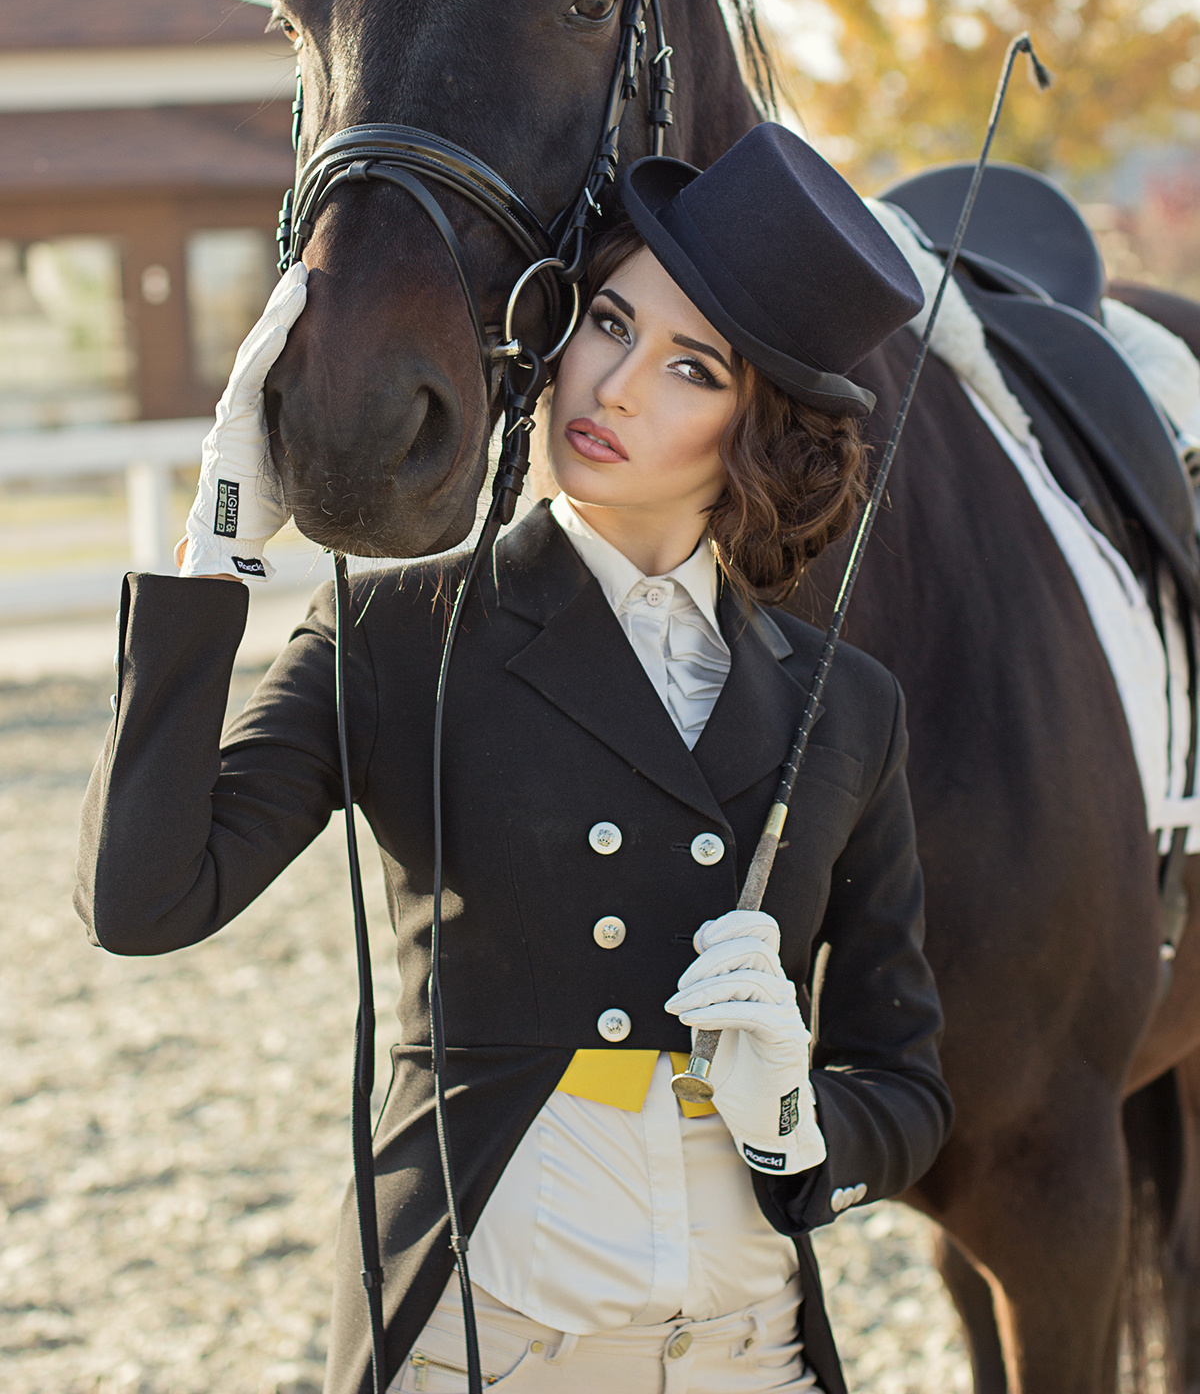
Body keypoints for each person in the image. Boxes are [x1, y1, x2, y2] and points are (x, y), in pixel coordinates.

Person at [76, 121, 950, 1394]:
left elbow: (910, 1084)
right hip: (480, 1338)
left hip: (755, 1350)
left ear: (765, 435)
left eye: (691, 367)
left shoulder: (847, 706)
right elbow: (140, 902)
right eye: (607, 321)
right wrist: (223, 543)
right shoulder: (390, 634)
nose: (615, 386)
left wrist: (799, 1121)